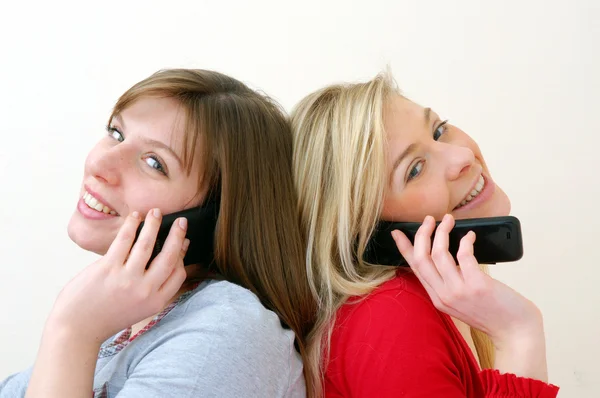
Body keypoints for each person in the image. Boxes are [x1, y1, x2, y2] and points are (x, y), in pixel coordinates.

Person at [0, 68, 318, 397]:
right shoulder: (119, 316)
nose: (100, 165)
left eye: (154, 163)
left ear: (213, 218)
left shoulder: (229, 333)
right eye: (117, 133)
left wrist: (72, 331)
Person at [291, 71, 560, 397]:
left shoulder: (445, 303)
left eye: (439, 130)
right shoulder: (390, 322)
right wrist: (519, 335)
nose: (462, 157)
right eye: (415, 169)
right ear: (372, 231)